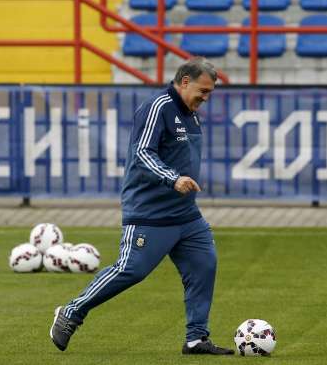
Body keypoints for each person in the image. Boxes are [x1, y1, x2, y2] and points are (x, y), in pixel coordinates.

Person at [50, 58, 234, 355]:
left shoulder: (191, 113)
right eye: (203, 90)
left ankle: (196, 338)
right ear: (184, 81)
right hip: (149, 213)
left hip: (186, 215)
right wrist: (173, 178)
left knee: (204, 264)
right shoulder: (158, 107)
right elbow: (142, 154)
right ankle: (72, 312)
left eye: (210, 92)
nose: (205, 98)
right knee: (131, 270)